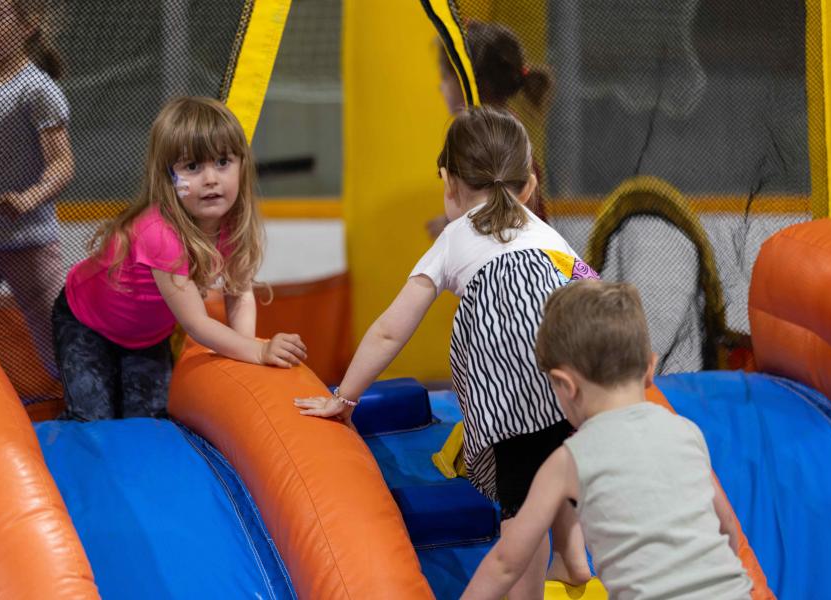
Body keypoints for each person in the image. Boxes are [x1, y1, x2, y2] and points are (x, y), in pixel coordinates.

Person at [294, 107, 598, 599]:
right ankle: (573, 554)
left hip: (509, 389)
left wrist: (344, 398)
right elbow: (591, 287)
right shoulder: (547, 234)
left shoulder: (454, 237)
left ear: (449, 183)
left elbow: (392, 330)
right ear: (527, 186)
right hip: (569, 365)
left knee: (519, 506)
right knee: (556, 451)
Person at [462, 280, 752, 600]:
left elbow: (506, 563)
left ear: (564, 385)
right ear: (650, 368)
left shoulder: (568, 460)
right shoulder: (686, 431)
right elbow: (726, 526)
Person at [53, 97, 306, 420]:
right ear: (169, 178)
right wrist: (258, 350)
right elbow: (197, 324)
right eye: (192, 167)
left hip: (147, 336)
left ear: (243, 164)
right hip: (85, 323)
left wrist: (245, 352)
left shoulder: (232, 223)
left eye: (223, 162)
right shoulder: (159, 233)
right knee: (92, 418)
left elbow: (239, 291)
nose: (211, 179)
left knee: (151, 419)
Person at [0, 0, 73, 380]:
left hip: (28, 242)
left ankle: (95, 418)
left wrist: (28, 197)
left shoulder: (35, 89)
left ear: (27, 26)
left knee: (60, 346)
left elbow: (63, 163)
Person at [429, 20, 552, 238]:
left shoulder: (492, 139)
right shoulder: (500, 130)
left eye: (445, 77)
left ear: (470, 81)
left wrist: (453, 228)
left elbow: (501, 212)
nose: (441, 87)